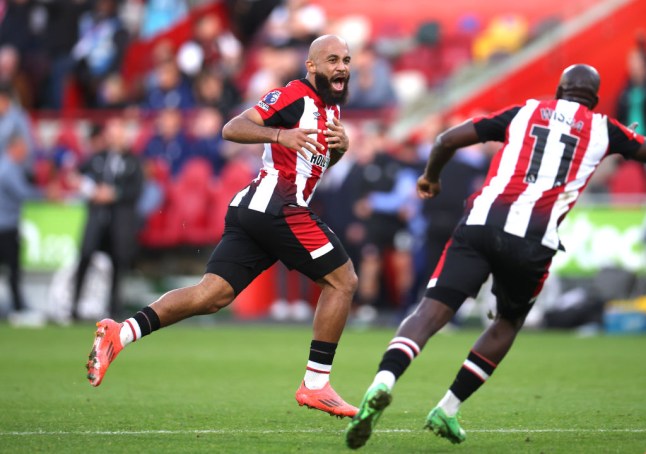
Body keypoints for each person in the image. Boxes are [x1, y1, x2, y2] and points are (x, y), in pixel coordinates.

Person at [345, 63, 646, 449]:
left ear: (558, 90)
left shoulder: (525, 111)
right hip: (533, 240)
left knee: (431, 310)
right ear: (595, 99)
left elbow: (447, 139)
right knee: (507, 321)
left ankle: (382, 382)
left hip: (481, 223)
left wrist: (431, 177)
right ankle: (447, 408)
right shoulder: (605, 128)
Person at [85, 34, 359, 418]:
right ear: (311, 66)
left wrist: (341, 149)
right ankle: (316, 384)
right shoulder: (295, 94)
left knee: (209, 296)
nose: (342, 66)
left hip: (258, 209)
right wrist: (280, 134)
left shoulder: (332, 110)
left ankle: (121, 332)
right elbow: (233, 127)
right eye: (332, 59)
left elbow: (317, 163)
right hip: (277, 204)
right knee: (343, 280)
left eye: (346, 59)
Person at [71, 119, 144, 321]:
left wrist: (114, 194)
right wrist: (91, 190)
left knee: (118, 263)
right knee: (85, 256)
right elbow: (75, 175)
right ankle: (74, 306)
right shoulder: (97, 158)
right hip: (97, 218)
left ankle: (114, 309)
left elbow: (136, 190)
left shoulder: (133, 161)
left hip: (119, 222)